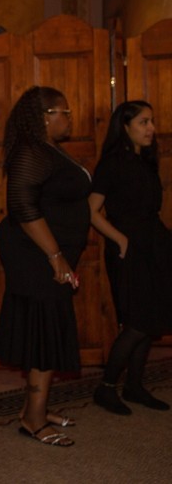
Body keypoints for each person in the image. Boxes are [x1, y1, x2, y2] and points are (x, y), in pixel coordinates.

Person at [0, 86, 90, 447]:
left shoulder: (47, 149)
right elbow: (22, 207)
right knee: (44, 332)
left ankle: (37, 408)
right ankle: (33, 418)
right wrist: (55, 256)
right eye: (65, 112)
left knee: (45, 330)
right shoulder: (31, 151)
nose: (70, 118)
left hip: (46, 254)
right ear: (46, 117)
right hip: (34, 256)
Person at [89, 100, 171, 414]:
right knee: (136, 322)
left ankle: (134, 385)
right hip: (128, 248)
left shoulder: (146, 160)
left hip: (155, 245)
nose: (151, 128)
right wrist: (120, 239)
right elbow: (91, 211)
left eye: (151, 121)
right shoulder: (112, 163)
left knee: (150, 319)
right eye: (143, 122)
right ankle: (106, 387)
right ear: (125, 127)